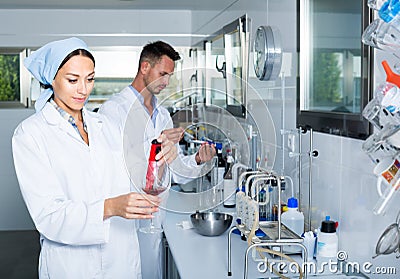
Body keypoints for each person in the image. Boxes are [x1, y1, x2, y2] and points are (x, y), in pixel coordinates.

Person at [11, 37, 177, 278]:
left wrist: (161, 159)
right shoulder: (31, 134)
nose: (83, 89)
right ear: (51, 79)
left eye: (90, 79)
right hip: (72, 265)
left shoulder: (107, 126)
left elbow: (138, 180)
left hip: (121, 259)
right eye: (72, 80)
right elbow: (49, 216)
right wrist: (110, 207)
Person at [99, 40, 216, 278]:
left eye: (170, 76)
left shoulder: (163, 115)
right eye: (162, 74)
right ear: (144, 67)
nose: (166, 82)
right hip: (127, 218)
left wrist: (196, 159)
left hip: (155, 214)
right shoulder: (113, 111)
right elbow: (111, 165)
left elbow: (174, 169)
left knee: (151, 271)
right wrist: (155, 144)